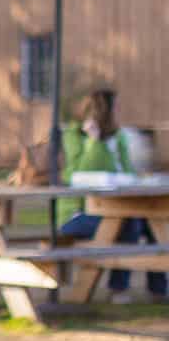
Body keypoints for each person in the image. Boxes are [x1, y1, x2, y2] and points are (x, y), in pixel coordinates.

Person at [58, 89, 167, 302]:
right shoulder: (74, 134)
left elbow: (125, 171)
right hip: (78, 215)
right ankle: (118, 289)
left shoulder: (118, 136)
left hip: (117, 206)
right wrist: (94, 141)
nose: (119, 110)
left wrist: (139, 179)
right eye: (116, 106)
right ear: (103, 109)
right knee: (130, 224)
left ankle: (159, 290)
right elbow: (79, 173)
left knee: (152, 222)